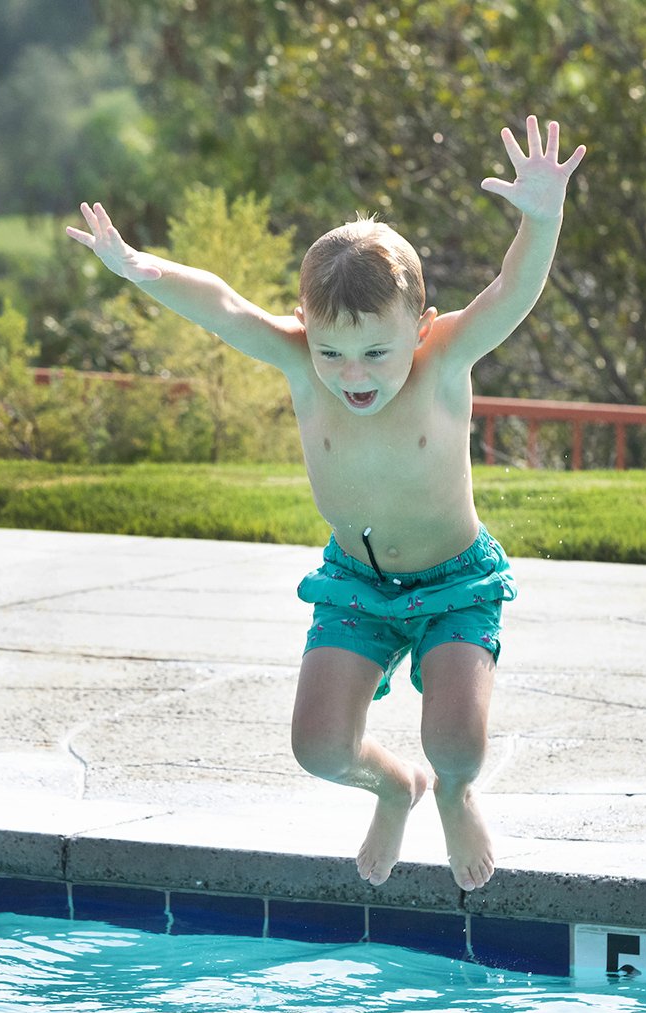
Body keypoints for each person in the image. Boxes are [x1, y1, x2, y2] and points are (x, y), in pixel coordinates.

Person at [67, 116, 584, 892]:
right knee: (319, 748)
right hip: (355, 583)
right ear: (304, 329)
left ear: (421, 328)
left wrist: (541, 219)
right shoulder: (300, 364)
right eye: (331, 352)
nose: (353, 375)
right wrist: (140, 267)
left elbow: (512, 291)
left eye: (376, 351)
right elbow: (223, 306)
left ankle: (452, 791)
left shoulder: (445, 360)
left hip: (456, 580)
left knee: (458, 745)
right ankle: (394, 788)